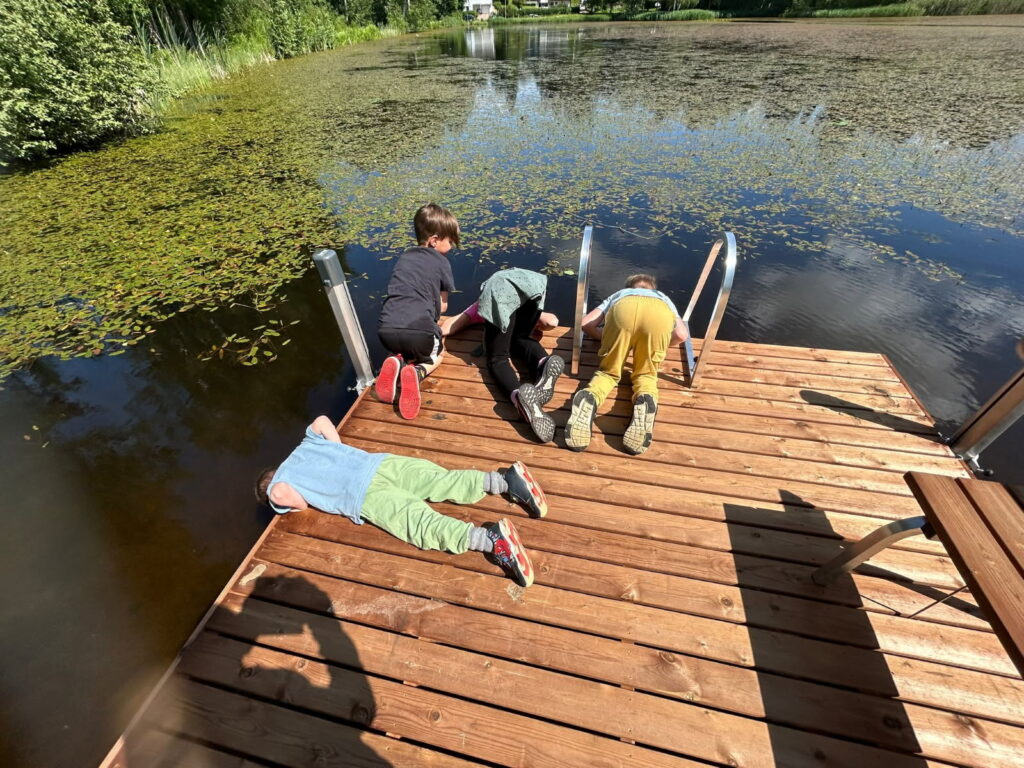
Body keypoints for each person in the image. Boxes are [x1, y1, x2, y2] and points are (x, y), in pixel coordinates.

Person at [255, 416, 548, 587]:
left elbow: (283, 495)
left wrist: (285, 501)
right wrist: (340, 452)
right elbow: (320, 421)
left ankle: (489, 539)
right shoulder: (305, 445)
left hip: (363, 495)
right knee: (439, 480)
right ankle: (504, 481)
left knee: (419, 524)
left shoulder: (280, 485)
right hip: (378, 464)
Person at [565, 274, 687, 455]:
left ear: (631, 285)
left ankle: (590, 396)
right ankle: (645, 398)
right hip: (658, 315)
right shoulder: (663, 298)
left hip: (624, 310)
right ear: (652, 287)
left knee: (608, 373)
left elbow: (586, 324)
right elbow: (681, 335)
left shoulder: (622, 293)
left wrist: (610, 339)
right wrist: (652, 344)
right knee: (646, 375)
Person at [441, 268, 565, 443]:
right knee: (520, 338)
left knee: (497, 359)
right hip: (534, 285)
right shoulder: (517, 282)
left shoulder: (486, 299)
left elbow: (451, 324)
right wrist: (539, 323)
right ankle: (544, 363)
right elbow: (552, 321)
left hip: (502, 291)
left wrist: (435, 331)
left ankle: (518, 397)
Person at [376, 203, 460, 420]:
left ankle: (397, 360)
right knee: (437, 352)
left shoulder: (404, 258)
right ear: (434, 240)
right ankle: (416, 371)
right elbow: (442, 307)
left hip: (386, 330)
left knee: (406, 341)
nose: (451, 246)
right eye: (449, 241)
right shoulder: (442, 263)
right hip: (418, 333)